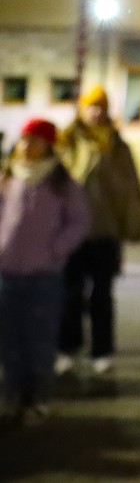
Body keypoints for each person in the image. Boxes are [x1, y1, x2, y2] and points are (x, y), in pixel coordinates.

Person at [0, 119, 91, 426]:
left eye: (34, 141)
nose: (27, 147)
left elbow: (79, 222)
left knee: (39, 339)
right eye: (23, 140)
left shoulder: (61, 184)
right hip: (7, 272)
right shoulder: (8, 179)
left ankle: (39, 397)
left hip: (43, 275)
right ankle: (14, 395)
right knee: (10, 340)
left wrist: (56, 249)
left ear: (47, 147)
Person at [55, 85, 140, 378]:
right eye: (91, 107)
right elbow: (60, 182)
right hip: (70, 233)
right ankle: (68, 349)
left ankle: (102, 351)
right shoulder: (67, 141)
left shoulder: (117, 146)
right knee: (69, 294)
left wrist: (133, 223)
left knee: (102, 295)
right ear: (82, 109)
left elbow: (130, 188)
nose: (96, 113)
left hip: (105, 231)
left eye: (101, 107)